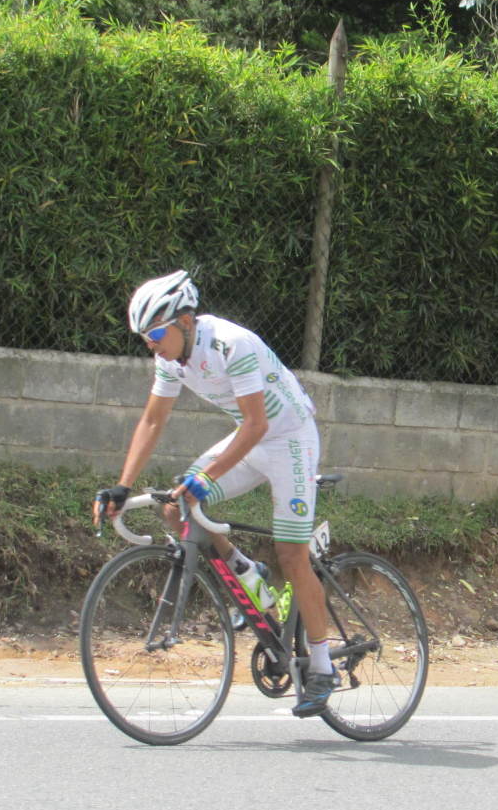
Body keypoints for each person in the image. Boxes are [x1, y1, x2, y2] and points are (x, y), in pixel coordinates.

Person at [92, 269, 338, 717]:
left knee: (292, 554)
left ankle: (322, 666)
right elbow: (152, 421)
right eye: (145, 336)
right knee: (178, 504)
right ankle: (247, 572)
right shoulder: (169, 358)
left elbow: (259, 424)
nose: (151, 344)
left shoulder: (231, 344)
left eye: (156, 333)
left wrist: (208, 477)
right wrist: (123, 485)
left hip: (290, 440)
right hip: (251, 439)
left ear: (185, 321)